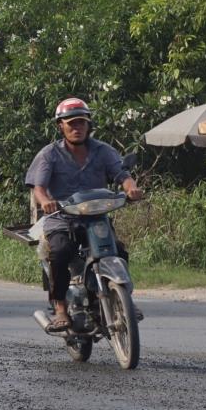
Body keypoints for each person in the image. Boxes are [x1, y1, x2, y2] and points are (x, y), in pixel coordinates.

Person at [25, 98, 144, 331]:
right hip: (61, 218)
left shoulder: (103, 151)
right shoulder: (49, 154)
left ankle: (125, 300)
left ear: (89, 125)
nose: (76, 128)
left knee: (118, 250)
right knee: (60, 252)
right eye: (71, 124)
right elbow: (38, 187)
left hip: (96, 217)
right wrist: (46, 201)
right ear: (60, 126)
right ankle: (60, 308)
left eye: (81, 123)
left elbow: (122, 174)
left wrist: (131, 188)